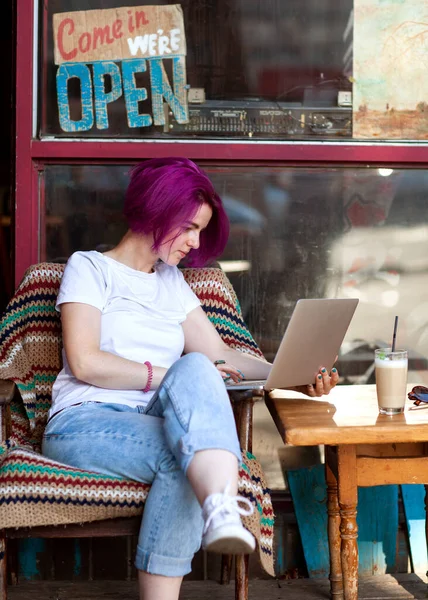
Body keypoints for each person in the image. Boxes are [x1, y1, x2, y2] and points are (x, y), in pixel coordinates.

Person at [42, 157, 339, 600]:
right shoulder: (91, 268)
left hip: (153, 419)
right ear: (155, 212)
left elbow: (219, 355)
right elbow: (85, 361)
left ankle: (218, 505)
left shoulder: (171, 282)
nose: (196, 242)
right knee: (189, 440)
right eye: (190, 227)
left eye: (202, 229)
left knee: (198, 390)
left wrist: (291, 375)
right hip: (84, 421)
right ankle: (219, 503)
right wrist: (164, 376)